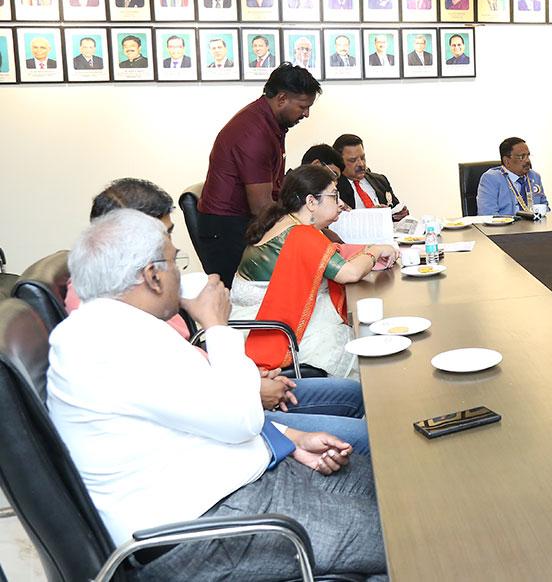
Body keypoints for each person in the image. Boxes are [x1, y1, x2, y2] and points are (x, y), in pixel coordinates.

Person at [48, 210, 387, 581]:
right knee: (404, 534)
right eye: (174, 262)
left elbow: (209, 411)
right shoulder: (115, 345)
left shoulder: (116, 326)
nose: (180, 274)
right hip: (210, 528)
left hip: (240, 484)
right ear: (152, 276)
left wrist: (287, 441)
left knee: (390, 486)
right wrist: (217, 326)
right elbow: (241, 418)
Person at [67, 178, 370, 452]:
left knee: (356, 396)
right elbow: (231, 419)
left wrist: (249, 376)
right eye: (165, 237)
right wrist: (227, 346)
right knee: (368, 439)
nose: (172, 249)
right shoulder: (108, 320)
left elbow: (193, 373)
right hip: (232, 427)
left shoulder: (139, 294)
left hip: (231, 395)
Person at [232, 165, 395, 379]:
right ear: (311, 202)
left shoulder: (284, 221)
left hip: (255, 320)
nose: (340, 204)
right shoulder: (300, 233)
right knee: (360, 339)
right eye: (334, 196)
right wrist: (376, 250)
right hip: (269, 328)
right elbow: (350, 273)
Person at [198, 65, 321, 286]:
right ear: (282, 98)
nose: (306, 114)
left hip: (240, 223)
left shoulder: (270, 121)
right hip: (227, 231)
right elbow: (262, 207)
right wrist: (305, 226)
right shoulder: (254, 133)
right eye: (303, 107)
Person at [334, 133, 408, 219]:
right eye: (353, 160)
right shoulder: (334, 187)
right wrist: (371, 215)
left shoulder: (380, 181)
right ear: (339, 161)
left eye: (362, 158)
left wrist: (401, 214)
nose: (361, 164)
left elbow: (395, 208)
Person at [476, 137, 549, 215]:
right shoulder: (491, 179)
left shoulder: (534, 176)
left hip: (533, 222)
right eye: (522, 157)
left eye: (528, 156)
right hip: (505, 222)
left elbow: (545, 209)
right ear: (507, 161)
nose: (527, 160)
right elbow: (488, 214)